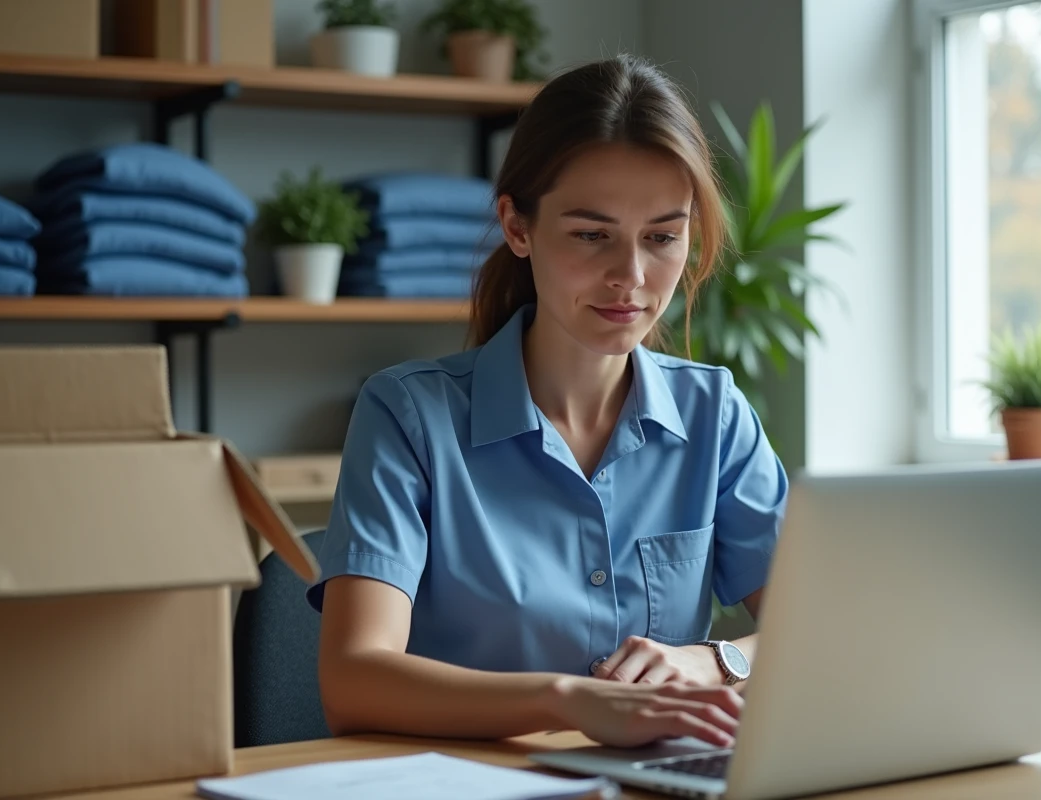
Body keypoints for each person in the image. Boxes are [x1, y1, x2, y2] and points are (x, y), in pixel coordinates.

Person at [308, 53, 788, 750]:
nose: (631, 277)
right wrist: (569, 700)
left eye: (661, 237)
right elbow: (353, 682)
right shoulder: (408, 417)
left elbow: (819, 631)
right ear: (518, 227)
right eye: (592, 235)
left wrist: (716, 658)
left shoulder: (715, 415)